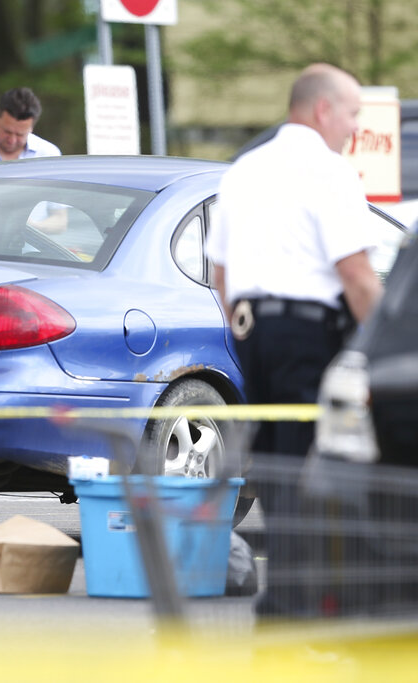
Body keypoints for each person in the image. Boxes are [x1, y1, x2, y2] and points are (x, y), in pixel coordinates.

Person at [205, 63, 384, 618]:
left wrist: (246, 329)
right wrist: (385, 348)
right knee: (315, 467)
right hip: (308, 334)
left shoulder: (244, 169)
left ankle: (286, 602)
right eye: (352, 113)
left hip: (253, 332)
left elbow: (220, 274)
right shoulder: (328, 171)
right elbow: (356, 275)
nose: (354, 127)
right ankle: (307, 604)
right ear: (323, 109)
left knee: (277, 468)